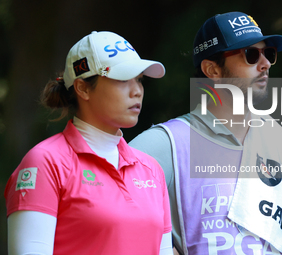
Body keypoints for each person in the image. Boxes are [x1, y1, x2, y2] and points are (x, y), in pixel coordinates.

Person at [129, 12, 282, 255]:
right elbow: (113, 219)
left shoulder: (279, 138)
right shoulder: (165, 143)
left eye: (268, 53)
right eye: (251, 55)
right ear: (212, 70)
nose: (265, 64)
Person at [5, 31, 173, 255]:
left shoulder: (151, 170)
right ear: (82, 88)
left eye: (139, 80)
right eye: (123, 79)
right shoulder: (45, 163)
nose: (137, 91)